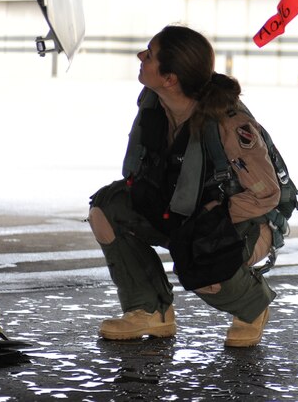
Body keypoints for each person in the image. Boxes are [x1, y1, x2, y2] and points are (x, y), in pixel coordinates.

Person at [88, 25, 280, 346]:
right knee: (107, 210)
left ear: (170, 78)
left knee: (201, 262)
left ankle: (251, 306)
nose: (141, 56)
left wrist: (211, 216)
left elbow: (267, 194)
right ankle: (150, 310)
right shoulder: (155, 104)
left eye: (149, 55)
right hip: (179, 211)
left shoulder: (228, 123)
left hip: (243, 224)